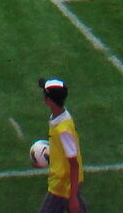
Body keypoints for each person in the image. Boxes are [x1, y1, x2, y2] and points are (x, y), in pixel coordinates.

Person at [37, 78, 85, 213]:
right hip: (63, 184)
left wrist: (73, 197)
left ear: (49, 101)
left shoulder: (63, 130)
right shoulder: (59, 118)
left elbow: (74, 164)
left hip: (62, 187)